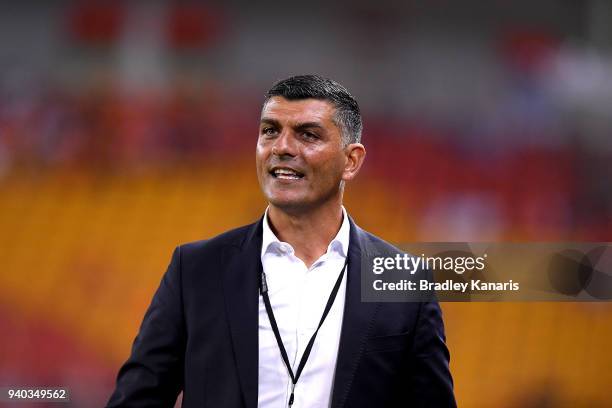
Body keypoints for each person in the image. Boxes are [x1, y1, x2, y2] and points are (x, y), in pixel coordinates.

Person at [107, 75, 456, 407]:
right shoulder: (196, 270)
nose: (282, 147)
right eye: (270, 131)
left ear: (351, 161)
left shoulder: (404, 280)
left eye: (308, 135)